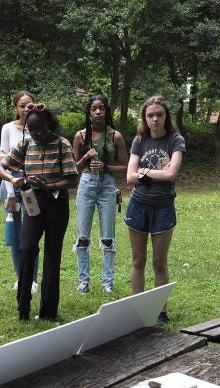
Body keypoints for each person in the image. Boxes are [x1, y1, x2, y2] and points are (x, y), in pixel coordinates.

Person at [0, 102, 79, 321]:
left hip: (56, 203)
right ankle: (23, 308)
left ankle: (48, 312)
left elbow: (72, 179)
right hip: (33, 202)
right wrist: (14, 179)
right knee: (26, 249)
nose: (36, 133)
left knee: (52, 256)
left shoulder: (62, 144)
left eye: (39, 128)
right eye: (31, 129)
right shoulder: (25, 145)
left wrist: (48, 185)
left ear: (48, 123)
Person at [125, 95, 186, 323]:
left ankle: (160, 311)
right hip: (138, 206)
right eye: (150, 115)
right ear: (145, 118)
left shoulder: (175, 140)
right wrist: (152, 174)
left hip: (163, 208)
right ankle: (138, 311)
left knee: (159, 263)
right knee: (138, 261)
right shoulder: (139, 141)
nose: (155, 119)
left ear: (165, 116)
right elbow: (130, 176)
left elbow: (171, 174)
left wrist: (145, 172)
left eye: (159, 114)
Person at [72, 94, 127, 294]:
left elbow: (127, 167)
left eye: (101, 108)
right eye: (94, 109)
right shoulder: (80, 136)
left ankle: (107, 283)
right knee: (83, 235)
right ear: (88, 112)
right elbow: (72, 168)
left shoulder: (115, 136)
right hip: (86, 183)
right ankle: (83, 281)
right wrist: (86, 156)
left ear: (107, 111)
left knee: (108, 236)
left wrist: (107, 166)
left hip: (107, 184)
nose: (98, 112)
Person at [0, 90, 37, 295]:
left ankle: (33, 279)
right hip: (10, 186)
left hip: (33, 186)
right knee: (16, 235)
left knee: (32, 233)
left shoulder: (38, 128)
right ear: (16, 108)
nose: (25, 109)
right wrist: (10, 194)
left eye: (29, 105)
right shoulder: (8, 129)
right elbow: (2, 162)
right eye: (21, 105)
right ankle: (21, 276)